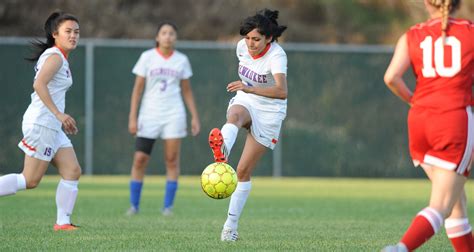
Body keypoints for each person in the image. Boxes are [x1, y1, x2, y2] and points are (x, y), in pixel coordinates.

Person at [382, 0, 473, 251]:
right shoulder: (470, 31)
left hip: (420, 120)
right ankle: (401, 248)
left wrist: (414, 101)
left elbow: (391, 77)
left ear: (426, 3)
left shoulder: (412, 34)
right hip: (452, 119)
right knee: (441, 205)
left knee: (456, 203)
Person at [208, 9, 288, 241]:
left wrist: (248, 87)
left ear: (268, 38)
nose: (250, 44)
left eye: (256, 39)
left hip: (270, 111)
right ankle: (222, 149)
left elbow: (282, 91)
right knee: (234, 115)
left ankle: (229, 228)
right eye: (247, 38)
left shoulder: (277, 56)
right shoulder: (241, 48)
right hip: (247, 99)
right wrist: (247, 91)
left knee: (242, 172)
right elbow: (246, 88)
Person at [0, 11, 82, 231]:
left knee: (72, 170)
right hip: (42, 123)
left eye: (76, 32)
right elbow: (39, 85)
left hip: (52, 126)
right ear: (55, 34)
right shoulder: (55, 57)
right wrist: (59, 115)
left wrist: (59, 118)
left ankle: (63, 223)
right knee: (30, 180)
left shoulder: (60, 57)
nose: (73, 35)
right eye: (68, 31)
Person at [127, 22, 200, 216]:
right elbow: (137, 90)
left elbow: (187, 90)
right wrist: (132, 117)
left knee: (172, 159)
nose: (168, 36)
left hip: (173, 113)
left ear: (175, 38)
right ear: (158, 37)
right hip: (149, 114)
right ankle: (134, 206)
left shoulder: (182, 60)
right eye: (164, 33)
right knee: (140, 159)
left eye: (171, 33)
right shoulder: (147, 57)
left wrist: (194, 116)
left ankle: (168, 207)